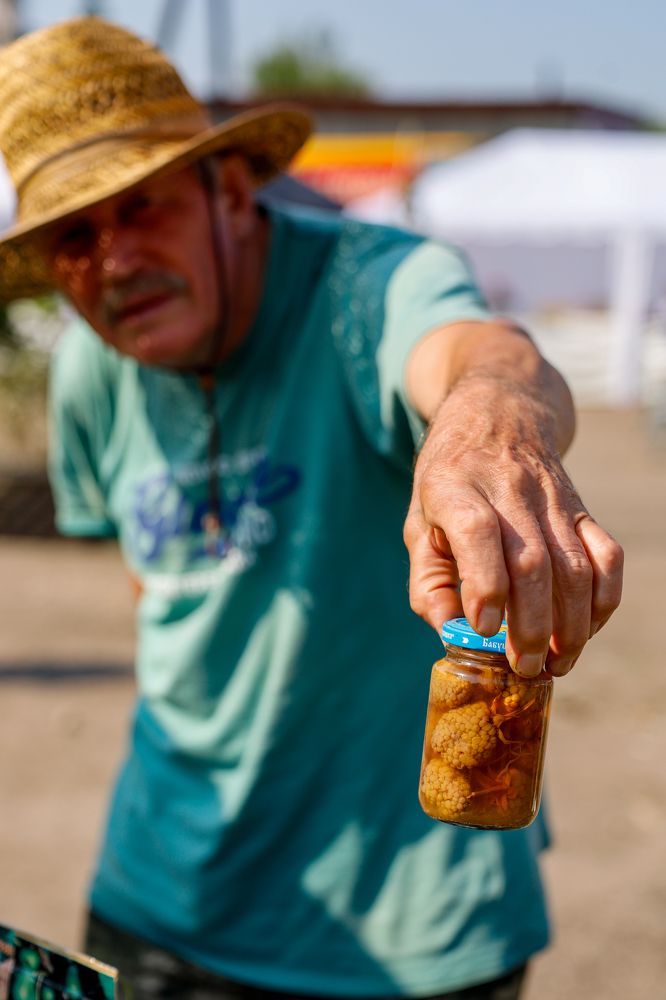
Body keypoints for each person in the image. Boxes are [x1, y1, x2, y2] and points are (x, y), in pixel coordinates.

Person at [0, 17, 623, 1000]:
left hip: (419, 927)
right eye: (76, 234)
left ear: (232, 190)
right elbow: (158, 595)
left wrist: (490, 421)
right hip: (163, 905)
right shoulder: (90, 369)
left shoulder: (367, 286)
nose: (114, 260)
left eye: (143, 207)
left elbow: (479, 352)